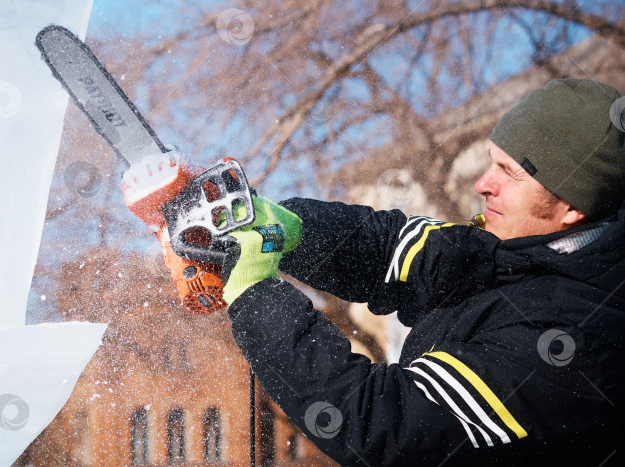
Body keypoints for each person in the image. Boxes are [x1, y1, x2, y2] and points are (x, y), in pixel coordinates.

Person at [128, 78, 625, 465]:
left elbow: (384, 426)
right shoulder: (514, 248)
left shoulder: (580, 338)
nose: (482, 184)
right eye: (493, 162)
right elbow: (393, 250)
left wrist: (256, 295)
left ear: (571, 207)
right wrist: (290, 227)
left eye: (509, 174)